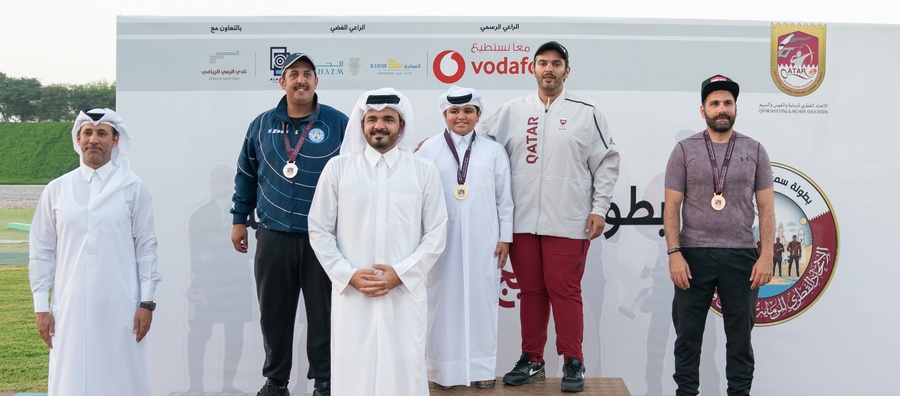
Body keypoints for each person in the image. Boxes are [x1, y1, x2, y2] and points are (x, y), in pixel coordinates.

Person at [480, 41, 620, 393]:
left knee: (565, 291)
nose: (549, 69)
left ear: (566, 71)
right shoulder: (512, 110)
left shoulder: (586, 113)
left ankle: (574, 361)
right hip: (522, 221)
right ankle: (532, 360)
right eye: (542, 63)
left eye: (556, 64)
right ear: (532, 68)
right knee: (531, 292)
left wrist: (599, 207)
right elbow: (478, 146)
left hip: (569, 221)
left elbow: (607, 161)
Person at [308, 88, 448, 395]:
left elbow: (437, 233)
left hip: (404, 294)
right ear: (361, 126)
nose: (379, 125)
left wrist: (401, 273)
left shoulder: (423, 171)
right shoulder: (338, 169)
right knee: (353, 372)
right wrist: (348, 275)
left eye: (388, 118)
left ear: (402, 126)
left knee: (404, 372)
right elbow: (318, 229)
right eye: (371, 119)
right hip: (353, 294)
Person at [230, 52, 348, 396]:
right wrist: (239, 219)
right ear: (282, 82)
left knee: (323, 315)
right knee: (274, 316)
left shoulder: (338, 123)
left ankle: (324, 381)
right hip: (273, 235)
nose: (300, 80)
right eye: (293, 74)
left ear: (316, 81)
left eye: (307, 74)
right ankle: (275, 382)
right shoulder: (261, 124)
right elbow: (246, 175)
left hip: (323, 238)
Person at [29, 108, 162, 396]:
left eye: (102, 133)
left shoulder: (133, 188)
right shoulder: (57, 190)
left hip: (122, 306)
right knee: (71, 376)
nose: (94, 139)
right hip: (69, 306)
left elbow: (147, 247)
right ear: (78, 139)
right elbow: (41, 251)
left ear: (115, 141)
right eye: (87, 132)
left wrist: (147, 303)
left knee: (122, 376)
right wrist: (41, 306)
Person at [664, 75, 774, 396]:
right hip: (693, 256)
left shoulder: (755, 150)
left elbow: (766, 208)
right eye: (714, 103)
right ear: (703, 110)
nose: (721, 108)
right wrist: (674, 253)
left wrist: (766, 254)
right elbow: (671, 207)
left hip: (742, 256)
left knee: (740, 341)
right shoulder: (684, 150)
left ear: (736, 108)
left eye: (727, 102)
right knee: (688, 339)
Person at [415, 86, 514, 390]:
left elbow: (504, 200)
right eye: (454, 111)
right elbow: (415, 199)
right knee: (440, 304)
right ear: (444, 114)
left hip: (484, 241)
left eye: (468, 111)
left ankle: (481, 368)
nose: (461, 117)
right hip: (438, 244)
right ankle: (440, 370)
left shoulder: (493, 151)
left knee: (482, 303)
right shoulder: (427, 150)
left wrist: (506, 237)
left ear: (478, 115)